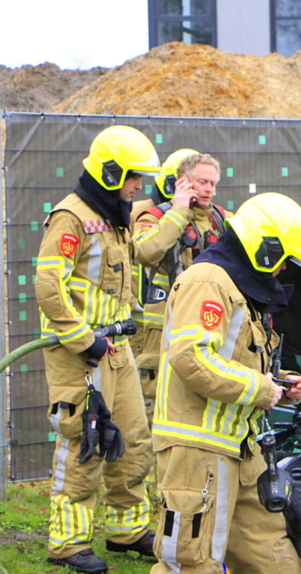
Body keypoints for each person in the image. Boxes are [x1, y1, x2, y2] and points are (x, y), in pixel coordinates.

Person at [108, 193, 301, 574]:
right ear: (264, 249)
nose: (281, 273)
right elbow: (192, 359)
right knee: (191, 570)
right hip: (198, 455)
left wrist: (280, 383)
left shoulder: (238, 288)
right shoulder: (208, 281)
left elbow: (230, 362)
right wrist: (262, 389)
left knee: (271, 559)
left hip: (240, 451)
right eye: (281, 261)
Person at [34, 125, 159, 574]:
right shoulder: (70, 218)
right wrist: (84, 340)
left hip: (117, 349)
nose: (138, 187)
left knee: (134, 440)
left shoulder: (114, 215)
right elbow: (49, 286)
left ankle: (128, 530)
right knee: (83, 442)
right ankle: (68, 543)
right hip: (81, 353)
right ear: (109, 174)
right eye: (133, 177)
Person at [130, 152, 230, 425]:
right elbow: (145, 251)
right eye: (202, 182)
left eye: (213, 183)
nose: (209, 189)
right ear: (183, 182)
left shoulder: (221, 220)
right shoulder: (155, 217)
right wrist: (179, 210)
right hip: (163, 331)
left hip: (207, 326)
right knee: (157, 413)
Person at [127, 147, 201, 424]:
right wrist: (178, 211)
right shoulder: (143, 214)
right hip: (143, 325)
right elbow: (148, 252)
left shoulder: (209, 218)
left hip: (185, 322)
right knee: (148, 406)